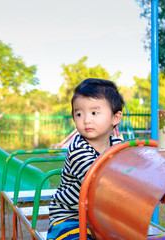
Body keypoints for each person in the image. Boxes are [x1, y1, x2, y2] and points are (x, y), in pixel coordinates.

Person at [47, 78, 124, 240]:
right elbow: (100, 179)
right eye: (79, 114)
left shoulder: (119, 146)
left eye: (94, 113)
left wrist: (153, 189)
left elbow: (135, 171)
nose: (86, 119)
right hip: (70, 215)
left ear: (115, 118)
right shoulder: (78, 148)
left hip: (101, 216)